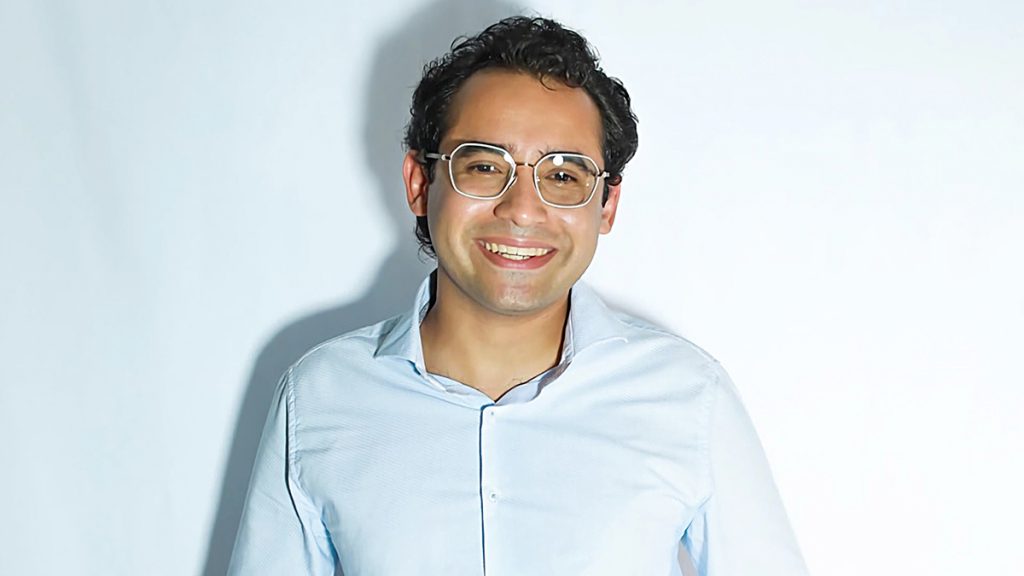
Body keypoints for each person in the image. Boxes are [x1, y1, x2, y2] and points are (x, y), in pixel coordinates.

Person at [228, 16, 807, 576]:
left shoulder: (688, 397)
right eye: (484, 167)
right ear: (420, 184)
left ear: (607, 205)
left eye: (563, 175)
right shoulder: (320, 396)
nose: (522, 210)